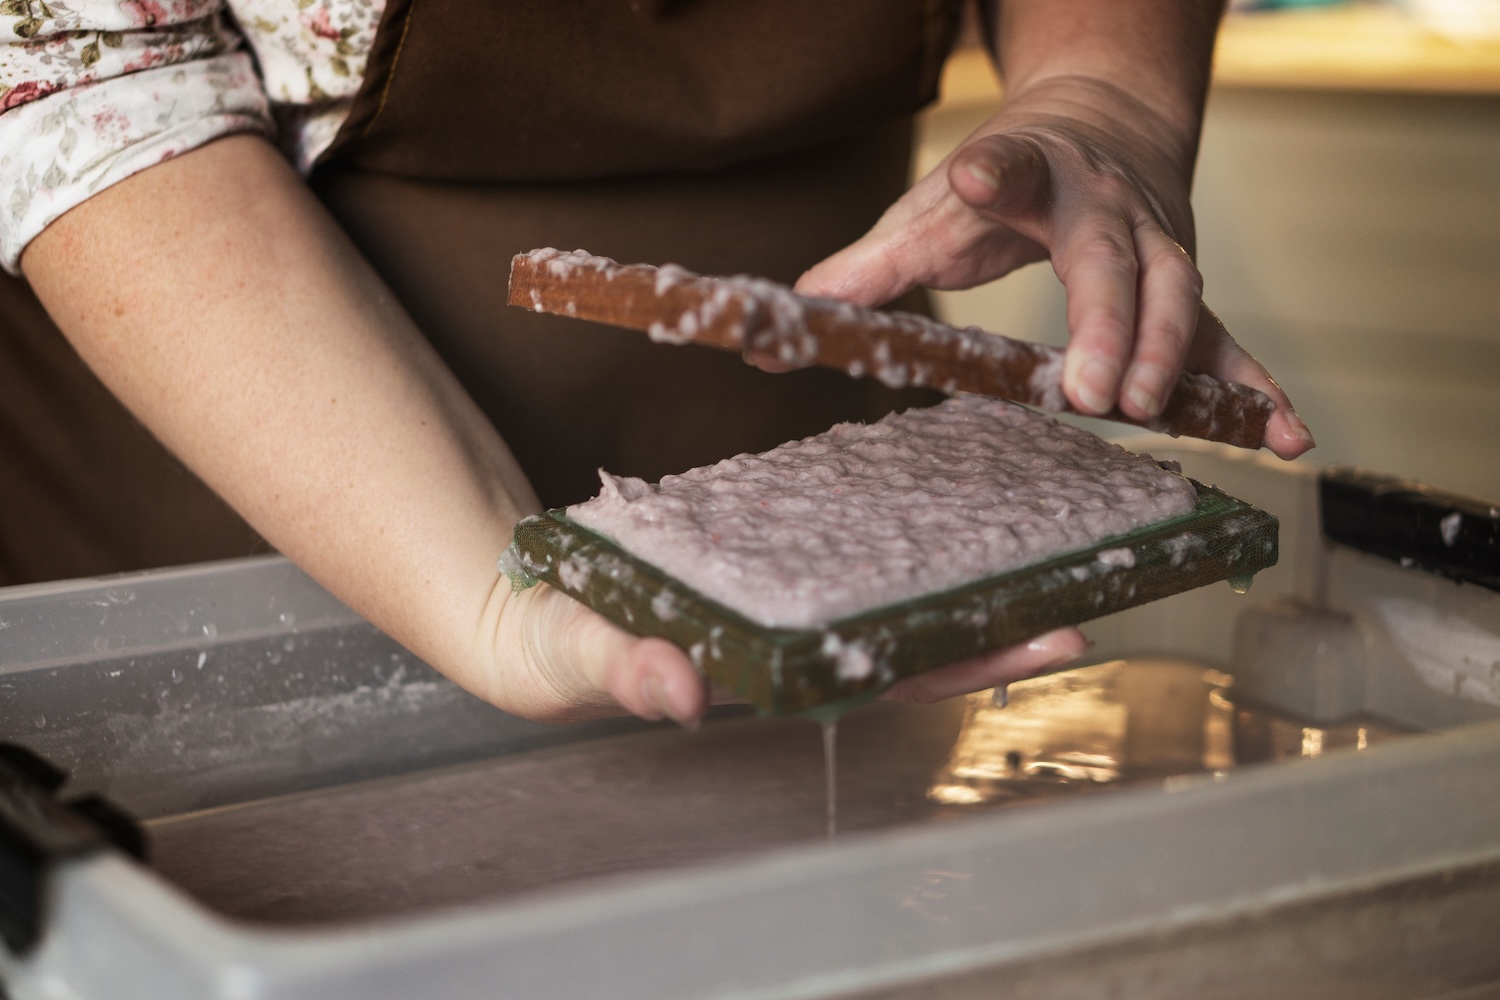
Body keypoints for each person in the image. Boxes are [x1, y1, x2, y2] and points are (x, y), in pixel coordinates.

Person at [0, 0, 1313, 728]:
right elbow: (78, 67)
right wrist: (496, 606)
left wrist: (1105, 98)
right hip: (230, 572)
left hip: (831, 588)